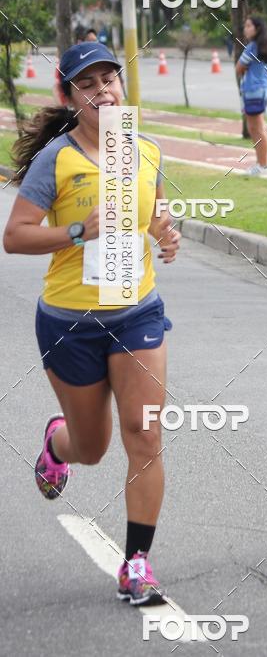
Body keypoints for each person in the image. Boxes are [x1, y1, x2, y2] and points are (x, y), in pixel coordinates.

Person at [3, 41, 180, 604]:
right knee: (92, 445)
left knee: (144, 433)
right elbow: (15, 237)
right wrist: (79, 231)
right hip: (69, 321)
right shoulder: (57, 160)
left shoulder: (144, 149)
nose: (103, 90)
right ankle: (58, 446)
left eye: (110, 79)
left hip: (137, 313)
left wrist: (165, 233)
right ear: (70, 97)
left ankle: (137, 564)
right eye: (88, 83)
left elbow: (153, 213)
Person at [235, 15, 267, 176]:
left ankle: (263, 166)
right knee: (257, 128)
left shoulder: (252, 47)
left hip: (253, 91)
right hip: (263, 90)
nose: (245, 29)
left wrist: (246, 68)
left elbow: (239, 68)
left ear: (257, 28)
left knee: (256, 129)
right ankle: (261, 165)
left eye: (248, 26)